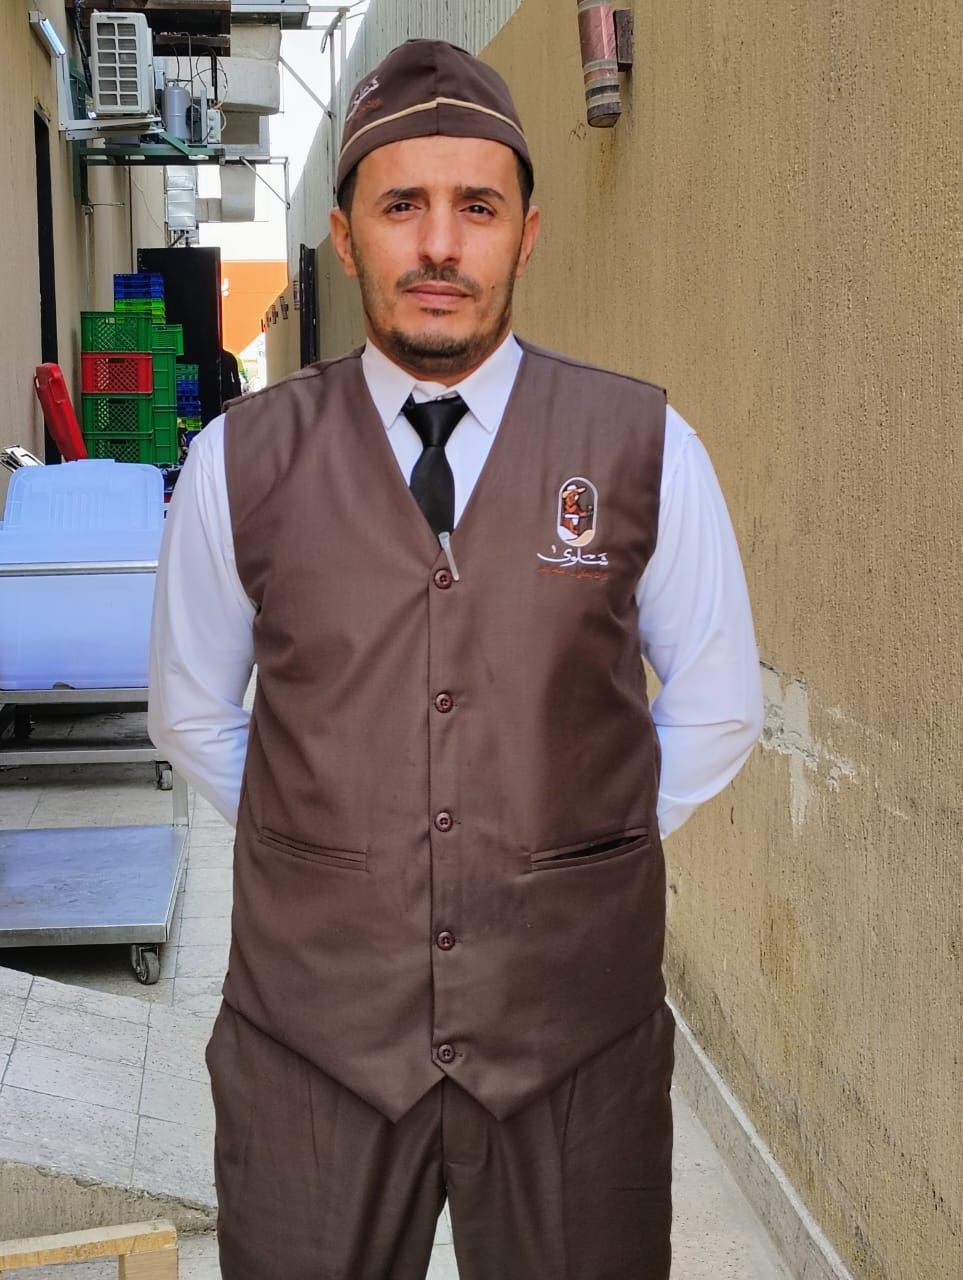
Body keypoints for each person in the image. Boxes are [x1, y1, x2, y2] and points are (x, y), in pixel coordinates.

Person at [148, 38, 764, 1280]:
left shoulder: (646, 446)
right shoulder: (238, 463)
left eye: (477, 207)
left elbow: (717, 704)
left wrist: (570, 846)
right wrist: (334, 846)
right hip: (311, 1048)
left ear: (526, 234)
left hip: (573, 1046)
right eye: (403, 207)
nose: (440, 245)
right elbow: (193, 712)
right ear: (344, 234)